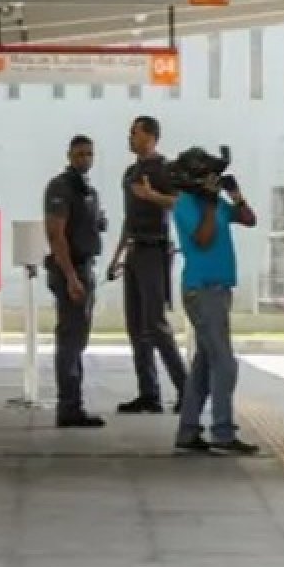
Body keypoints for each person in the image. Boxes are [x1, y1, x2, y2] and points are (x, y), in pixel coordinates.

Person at [171, 153, 259, 455]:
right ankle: (222, 432)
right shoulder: (184, 205)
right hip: (202, 291)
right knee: (225, 364)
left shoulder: (219, 204)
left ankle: (188, 430)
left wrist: (235, 194)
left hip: (219, 291)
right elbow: (204, 239)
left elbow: (249, 219)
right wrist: (209, 204)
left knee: (205, 364)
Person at [106, 116, 187, 414]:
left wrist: (152, 195)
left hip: (155, 250)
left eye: (135, 133)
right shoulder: (131, 172)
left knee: (156, 324)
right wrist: (117, 257)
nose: (130, 137)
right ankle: (149, 393)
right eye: (130, 132)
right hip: (135, 251)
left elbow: (179, 202)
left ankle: (185, 388)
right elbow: (129, 218)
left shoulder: (164, 169)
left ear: (151, 136)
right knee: (136, 326)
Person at [44, 135, 107, 428]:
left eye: (90, 154)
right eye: (80, 154)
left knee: (77, 338)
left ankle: (73, 403)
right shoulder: (61, 187)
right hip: (70, 270)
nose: (85, 159)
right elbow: (56, 235)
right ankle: (68, 406)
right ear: (69, 155)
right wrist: (70, 277)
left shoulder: (88, 190)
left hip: (85, 268)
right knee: (70, 339)